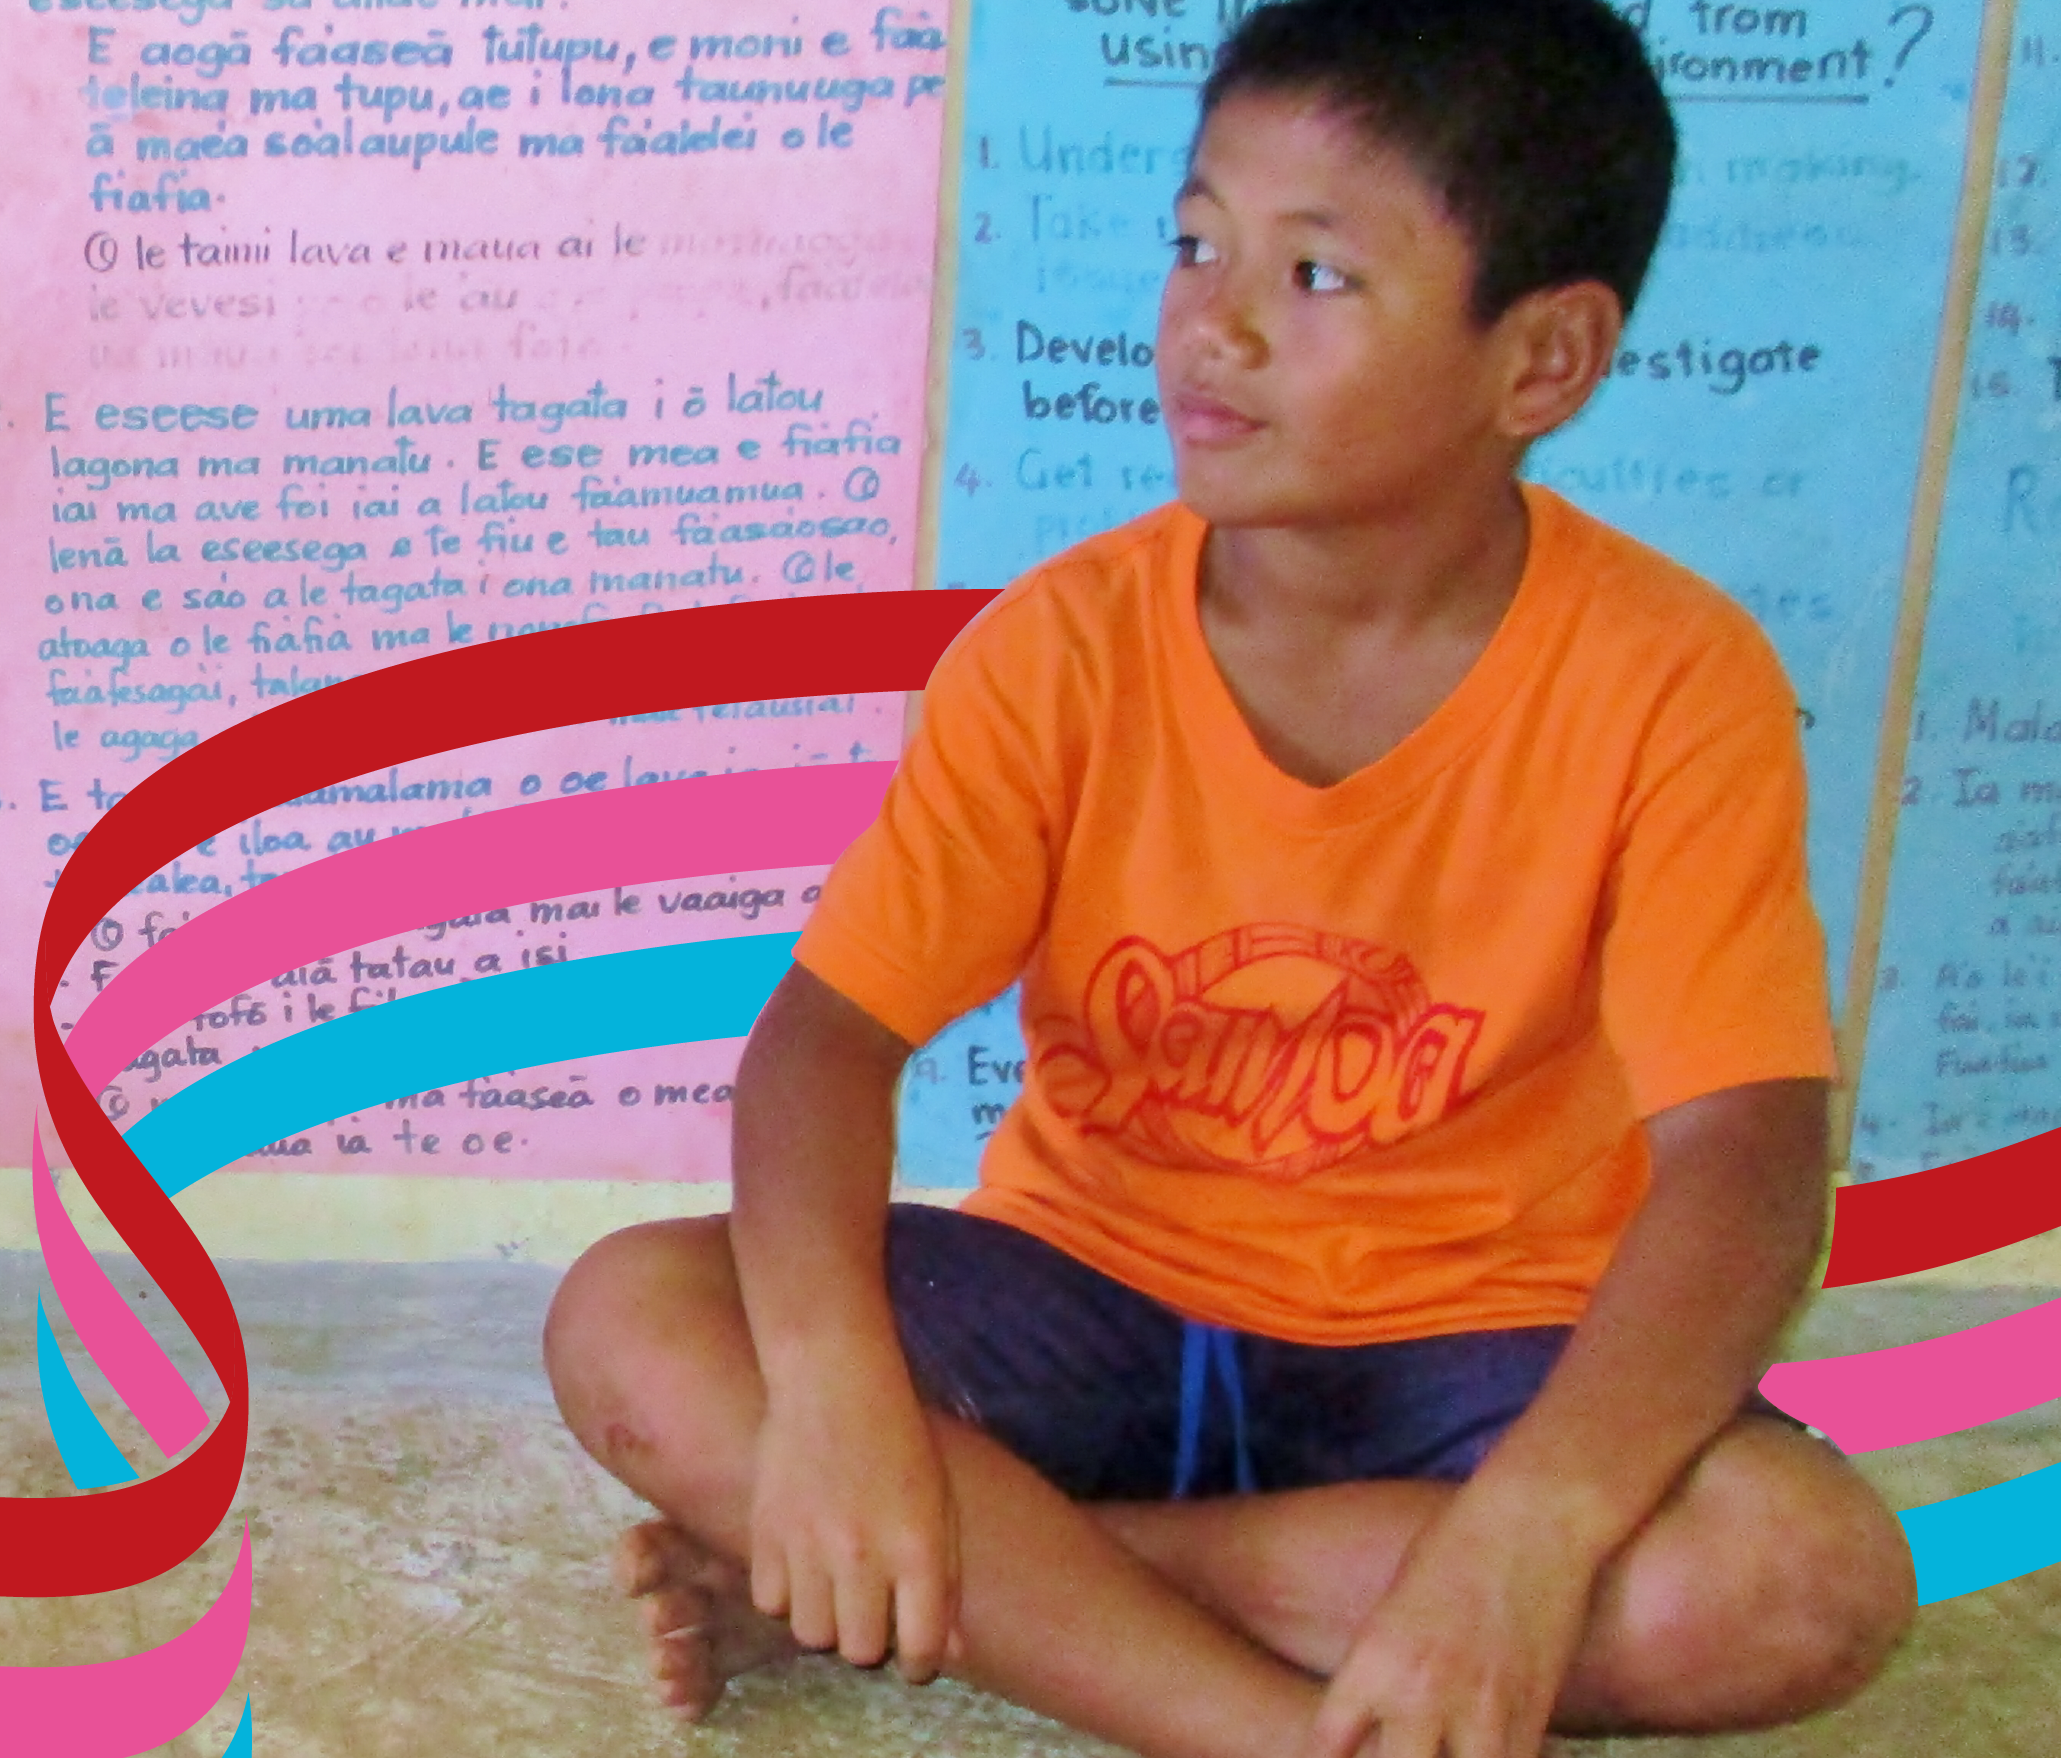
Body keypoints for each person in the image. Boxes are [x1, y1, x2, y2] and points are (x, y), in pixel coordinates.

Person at [539, 2, 1918, 1755]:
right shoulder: (1062, 649)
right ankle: (1254, 1725)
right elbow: (828, 1037)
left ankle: (971, 1592)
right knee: (633, 1319)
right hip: (1094, 1301)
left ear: (1544, 362)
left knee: (1802, 1582)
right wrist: (829, 1404)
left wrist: (1530, 1534)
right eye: (1197, 242)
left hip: (1480, 1346)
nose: (1218, 321)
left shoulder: (1670, 680)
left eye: (1319, 275)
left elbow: (1745, 1161)